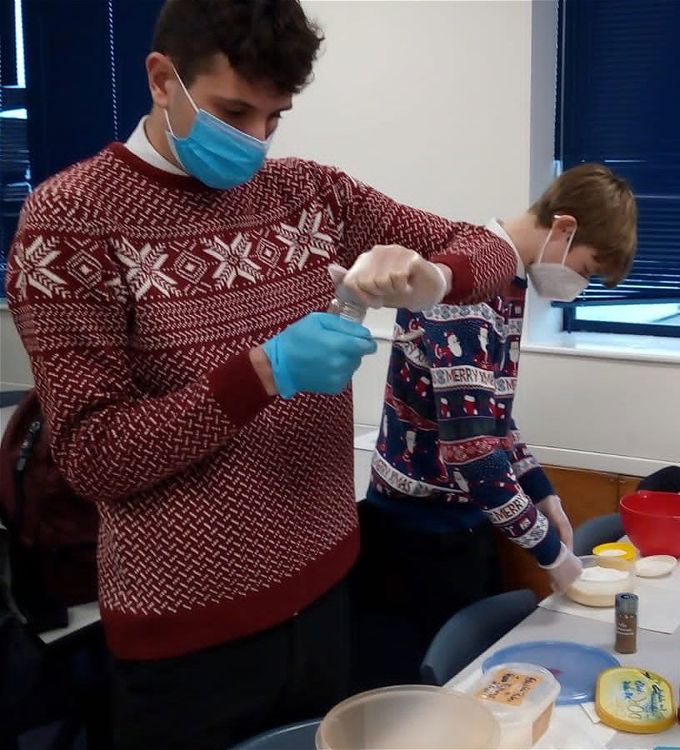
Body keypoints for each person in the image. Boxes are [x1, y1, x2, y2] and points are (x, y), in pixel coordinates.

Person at [3, 1, 519, 748]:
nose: (255, 141)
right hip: (187, 636)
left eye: (274, 118)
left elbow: (492, 248)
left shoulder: (310, 194)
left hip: (328, 588)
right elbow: (94, 456)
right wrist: (264, 372)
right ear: (161, 79)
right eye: (233, 111)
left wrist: (431, 278)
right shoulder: (71, 222)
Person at [354, 163, 638, 687]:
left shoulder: (506, 280)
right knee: (430, 698)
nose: (580, 283)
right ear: (564, 228)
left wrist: (541, 489)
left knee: (473, 690)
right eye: (588, 266)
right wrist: (552, 556)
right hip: (417, 538)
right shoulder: (464, 288)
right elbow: (473, 456)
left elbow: (492, 419)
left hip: (459, 527)